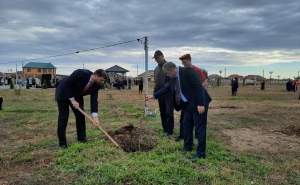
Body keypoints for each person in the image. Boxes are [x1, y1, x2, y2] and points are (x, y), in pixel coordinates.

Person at [146, 62, 209, 159]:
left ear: (171, 70)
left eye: (166, 73)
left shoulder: (187, 71)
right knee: (186, 125)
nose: (166, 75)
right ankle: (188, 147)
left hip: (198, 104)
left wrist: (200, 104)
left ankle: (201, 154)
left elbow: (198, 86)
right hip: (187, 105)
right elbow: (167, 88)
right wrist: (154, 95)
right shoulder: (173, 79)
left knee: (199, 128)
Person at [55, 69, 107, 149]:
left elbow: (94, 101)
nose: (101, 82)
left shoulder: (96, 86)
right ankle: (62, 143)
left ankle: (82, 139)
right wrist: (72, 100)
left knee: (80, 115)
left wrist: (95, 118)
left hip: (77, 94)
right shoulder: (80, 73)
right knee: (63, 117)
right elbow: (66, 84)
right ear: (96, 76)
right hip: (63, 91)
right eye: (101, 80)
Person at [175, 53, 211, 142]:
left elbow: (205, 82)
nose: (183, 64)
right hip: (187, 101)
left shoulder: (197, 70)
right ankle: (183, 135)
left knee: (198, 120)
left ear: (189, 60)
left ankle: (198, 136)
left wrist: (195, 91)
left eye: (185, 62)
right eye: (182, 63)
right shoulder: (182, 71)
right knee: (184, 119)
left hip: (197, 99)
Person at [153, 50, 174, 137]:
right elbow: (156, 82)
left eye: (157, 58)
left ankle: (169, 131)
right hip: (160, 94)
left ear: (162, 56)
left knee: (169, 112)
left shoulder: (169, 66)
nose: (156, 60)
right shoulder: (156, 69)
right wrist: (155, 92)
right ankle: (165, 128)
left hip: (169, 94)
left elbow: (171, 81)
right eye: (155, 58)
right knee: (162, 112)